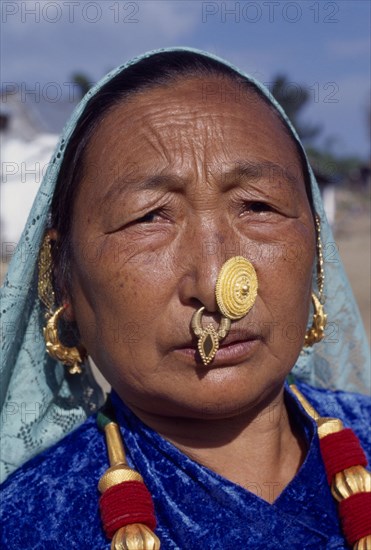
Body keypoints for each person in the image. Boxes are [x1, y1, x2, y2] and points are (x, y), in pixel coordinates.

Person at [0, 48, 370, 549]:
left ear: (317, 250)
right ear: (60, 277)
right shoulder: (30, 525)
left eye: (259, 206)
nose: (217, 282)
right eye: (150, 217)